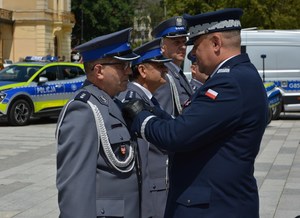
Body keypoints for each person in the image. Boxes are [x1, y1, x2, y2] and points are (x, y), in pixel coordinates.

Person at [122, 8, 269, 218]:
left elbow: (177, 135)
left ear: (216, 43)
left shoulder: (229, 83)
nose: (191, 54)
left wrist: (140, 117)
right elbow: (193, 123)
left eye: (196, 45)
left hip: (213, 208)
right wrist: (153, 110)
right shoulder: (241, 75)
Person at [55, 28, 141, 218]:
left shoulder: (113, 103)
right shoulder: (83, 110)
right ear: (99, 70)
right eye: (121, 66)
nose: (129, 71)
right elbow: (75, 189)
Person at [118, 38, 172, 218]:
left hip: (159, 187)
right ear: (142, 70)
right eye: (159, 66)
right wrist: (145, 207)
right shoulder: (135, 100)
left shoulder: (148, 98)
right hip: (151, 192)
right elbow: (141, 162)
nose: (165, 69)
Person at [151, 16, 193, 116]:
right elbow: (164, 116)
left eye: (184, 42)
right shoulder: (164, 75)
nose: (183, 47)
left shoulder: (175, 71)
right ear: (162, 46)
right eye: (177, 42)